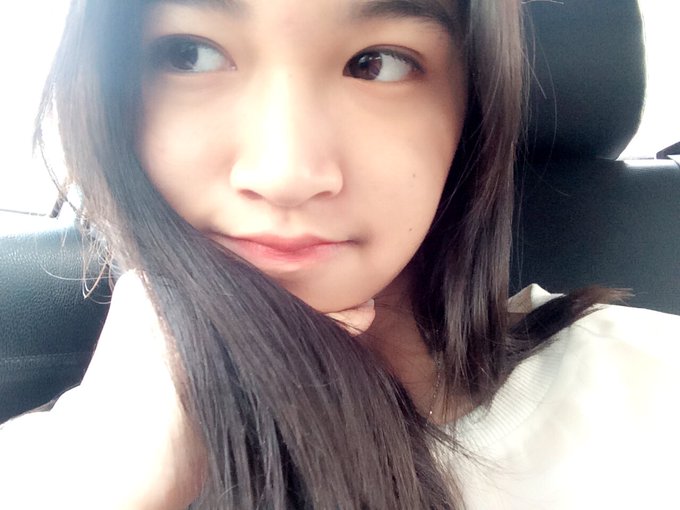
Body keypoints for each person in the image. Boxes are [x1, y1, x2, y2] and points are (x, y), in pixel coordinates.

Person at [1, 0, 678, 508]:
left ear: (471, 108)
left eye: (376, 63)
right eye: (190, 54)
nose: (286, 174)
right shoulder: (47, 476)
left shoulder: (652, 387)